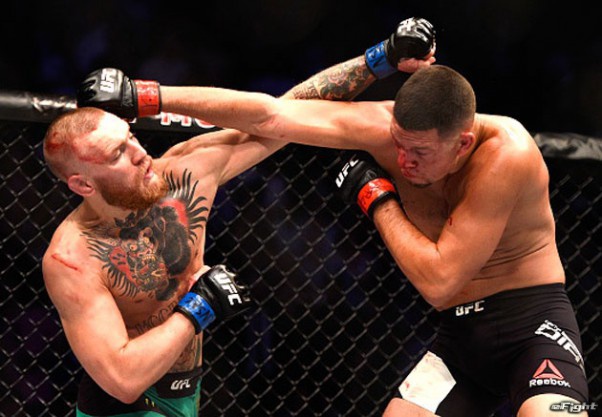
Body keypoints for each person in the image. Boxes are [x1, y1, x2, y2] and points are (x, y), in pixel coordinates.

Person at [77, 23, 591, 417]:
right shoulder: (385, 130)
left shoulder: (506, 155)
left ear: (462, 144)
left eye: (420, 152)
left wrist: (376, 197)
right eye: (399, 144)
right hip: (460, 337)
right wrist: (146, 96)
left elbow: (439, 278)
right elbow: (272, 114)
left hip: (533, 324)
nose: (404, 160)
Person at [43, 17, 436, 416]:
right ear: (82, 184)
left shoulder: (184, 176)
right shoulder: (71, 259)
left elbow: (286, 113)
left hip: (187, 392)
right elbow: (122, 379)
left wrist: (380, 58)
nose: (139, 153)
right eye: (117, 154)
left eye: (131, 138)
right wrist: (198, 307)